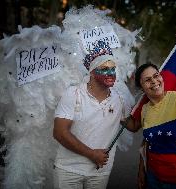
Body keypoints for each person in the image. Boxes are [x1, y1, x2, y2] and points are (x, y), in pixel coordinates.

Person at [53, 41, 131, 189]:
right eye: (105, 69)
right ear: (92, 72)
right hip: (68, 171)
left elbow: (132, 125)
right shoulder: (73, 93)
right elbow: (59, 133)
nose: (111, 73)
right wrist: (92, 154)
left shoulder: (120, 99)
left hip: (100, 172)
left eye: (113, 69)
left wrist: (149, 100)